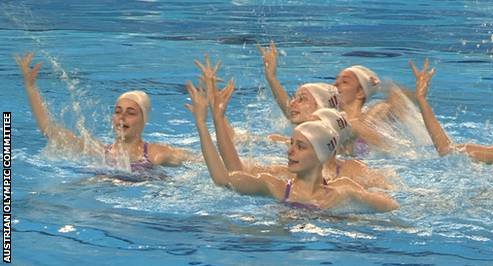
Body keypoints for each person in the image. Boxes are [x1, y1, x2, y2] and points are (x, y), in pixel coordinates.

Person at [185, 59, 398, 212]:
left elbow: (392, 203)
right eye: (292, 144)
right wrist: (208, 121)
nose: (289, 150)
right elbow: (227, 175)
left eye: (300, 146)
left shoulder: (346, 180)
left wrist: (352, 194)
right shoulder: (277, 182)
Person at [15, 52, 200, 173]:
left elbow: (202, 161)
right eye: (118, 111)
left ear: (144, 120)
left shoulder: (156, 154)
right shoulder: (98, 151)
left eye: (131, 112)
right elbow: (50, 131)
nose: (122, 117)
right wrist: (30, 87)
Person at [257, 41, 400, 154]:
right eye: (336, 80)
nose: (336, 84)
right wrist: (272, 78)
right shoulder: (332, 119)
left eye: (344, 81)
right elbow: (295, 112)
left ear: (361, 93)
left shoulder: (361, 121)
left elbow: (387, 149)